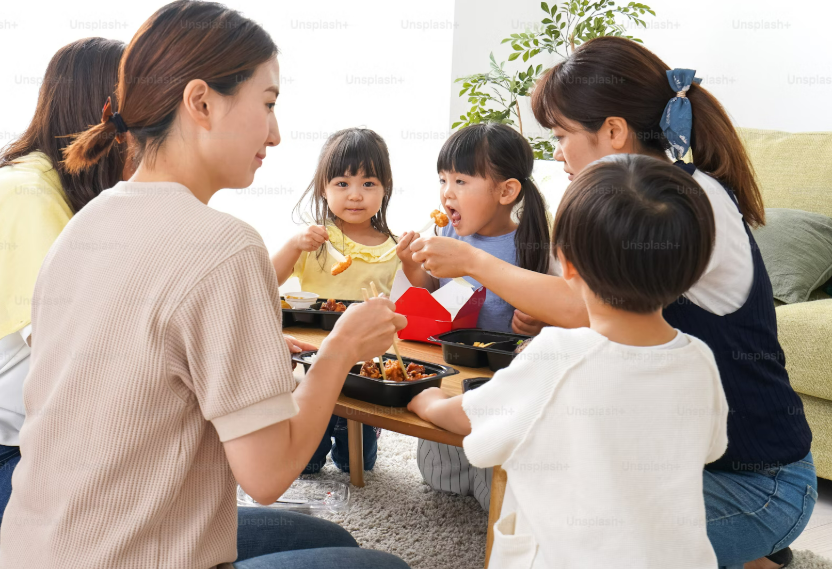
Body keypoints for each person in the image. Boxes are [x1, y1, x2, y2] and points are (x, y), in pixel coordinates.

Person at [0, 0, 410, 569]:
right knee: (383, 567)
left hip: (42, 550)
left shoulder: (83, 225)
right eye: (267, 105)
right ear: (201, 102)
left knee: (334, 542)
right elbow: (266, 474)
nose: (277, 134)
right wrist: (338, 350)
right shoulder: (227, 246)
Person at [409, 36, 816, 569]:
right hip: (696, 462)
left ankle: (754, 547)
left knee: (579, 535)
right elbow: (593, 312)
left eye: (560, 135)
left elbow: (586, 309)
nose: (555, 153)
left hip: (759, 479)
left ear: (614, 131)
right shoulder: (661, 198)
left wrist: (476, 264)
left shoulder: (687, 204)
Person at [409, 154, 728, 569]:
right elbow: (712, 446)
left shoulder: (560, 354)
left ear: (568, 264)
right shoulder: (699, 358)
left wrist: (426, 401)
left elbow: (475, 419)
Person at [0, 37, 128, 547]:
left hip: (33, 448)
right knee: (171, 528)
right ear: (106, 111)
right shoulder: (26, 196)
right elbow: (78, 360)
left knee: (192, 511)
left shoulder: (60, 192)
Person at [394, 123, 551, 510]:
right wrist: (410, 263)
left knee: (492, 483)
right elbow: (428, 292)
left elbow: (554, 304)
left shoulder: (529, 243)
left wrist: (538, 320)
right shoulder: (447, 232)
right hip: (450, 366)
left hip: (501, 376)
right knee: (439, 475)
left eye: (461, 180)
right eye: (443, 179)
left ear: (506, 191)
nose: (447, 191)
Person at [272, 127, 400, 473]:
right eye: (342, 184)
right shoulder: (316, 241)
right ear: (324, 189)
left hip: (365, 367)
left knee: (358, 462)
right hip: (314, 363)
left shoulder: (393, 247)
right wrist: (294, 245)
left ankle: (358, 437)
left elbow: (411, 298)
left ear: (385, 187)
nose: (355, 195)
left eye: (368, 183)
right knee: (306, 462)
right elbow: (266, 281)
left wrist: (416, 258)